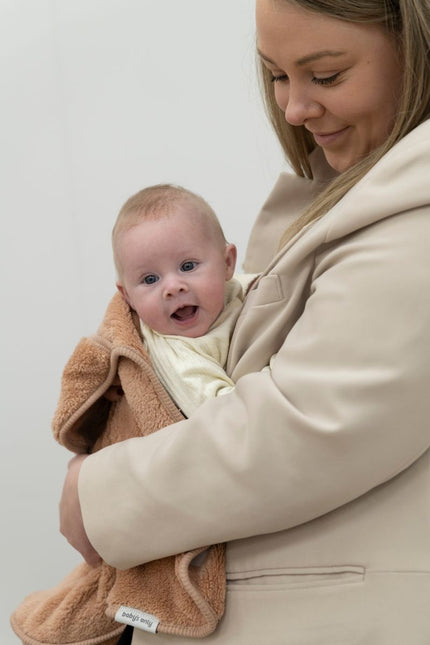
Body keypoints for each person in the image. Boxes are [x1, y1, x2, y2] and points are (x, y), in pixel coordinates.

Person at [58, 0, 430, 643]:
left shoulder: (416, 225)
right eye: (278, 75)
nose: (292, 108)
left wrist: (101, 493)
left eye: (327, 75)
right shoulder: (359, 192)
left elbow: (308, 425)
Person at [11, 184, 251, 645]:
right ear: (126, 296)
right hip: (153, 488)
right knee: (111, 586)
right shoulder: (177, 352)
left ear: (228, 262)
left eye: (188, 266)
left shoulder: (248, 300)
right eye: (149, 280)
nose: (173, 287)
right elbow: (226, 422)